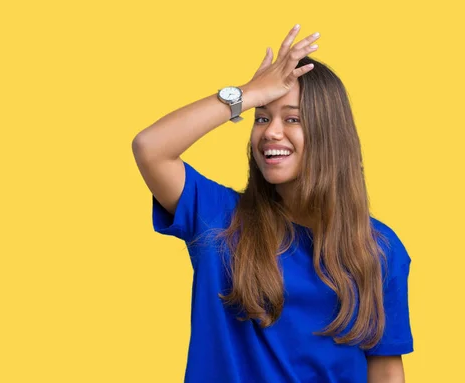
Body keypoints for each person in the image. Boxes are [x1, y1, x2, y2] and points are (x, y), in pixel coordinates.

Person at [131, 24, 413, 383]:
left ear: (329, 134)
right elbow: (150, 148)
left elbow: (386, 368)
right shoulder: (218, 218)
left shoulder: (379, 249)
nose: (271, 132)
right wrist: (247, 94)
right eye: (262, 118)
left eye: (292, 119)